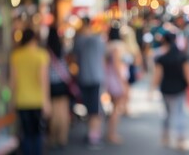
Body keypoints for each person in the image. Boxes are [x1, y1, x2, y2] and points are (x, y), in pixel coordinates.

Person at [151, 31, 189, 151]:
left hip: (166, 88)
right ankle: (180, 139)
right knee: (180, 113)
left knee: (166, 113)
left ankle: (165, 136)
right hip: (179, 88)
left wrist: (151, 89)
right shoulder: (182, 56)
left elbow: (157, 75)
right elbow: (188, 75)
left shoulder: (161, 57)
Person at [10, 28, 50, 155]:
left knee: (26, 134)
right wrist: (46, 101)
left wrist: (12, 100)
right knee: (38, 134)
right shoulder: (42, 55)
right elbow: (43, 80)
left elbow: (13, 81)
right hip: (38, 100)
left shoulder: (16, 55)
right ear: (34, 39)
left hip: (21, 100)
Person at [72, 17, 106, 148]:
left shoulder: (79, 40)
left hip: (84, 78)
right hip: (95, 78)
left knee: (90, 109)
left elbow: (74, 59)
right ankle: (94, 136)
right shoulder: (98, 40)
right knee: (95, 110)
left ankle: (92, 134)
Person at [46, 26, 70, 149]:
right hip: (62, 83)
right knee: (63, 113)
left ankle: (53, 138)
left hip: (51, 85)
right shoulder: (62, 48)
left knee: (54, 114)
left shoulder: (45, 51)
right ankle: (63, 138)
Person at [105, 25, 129, 144]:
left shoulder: (108, 45)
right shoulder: (116, 46)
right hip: (115, 79)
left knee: (114, 106)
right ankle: (112, 134)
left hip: (109, 77)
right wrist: (122, 81)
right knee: (116, 107)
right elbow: (117, 65)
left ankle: (111, 132)